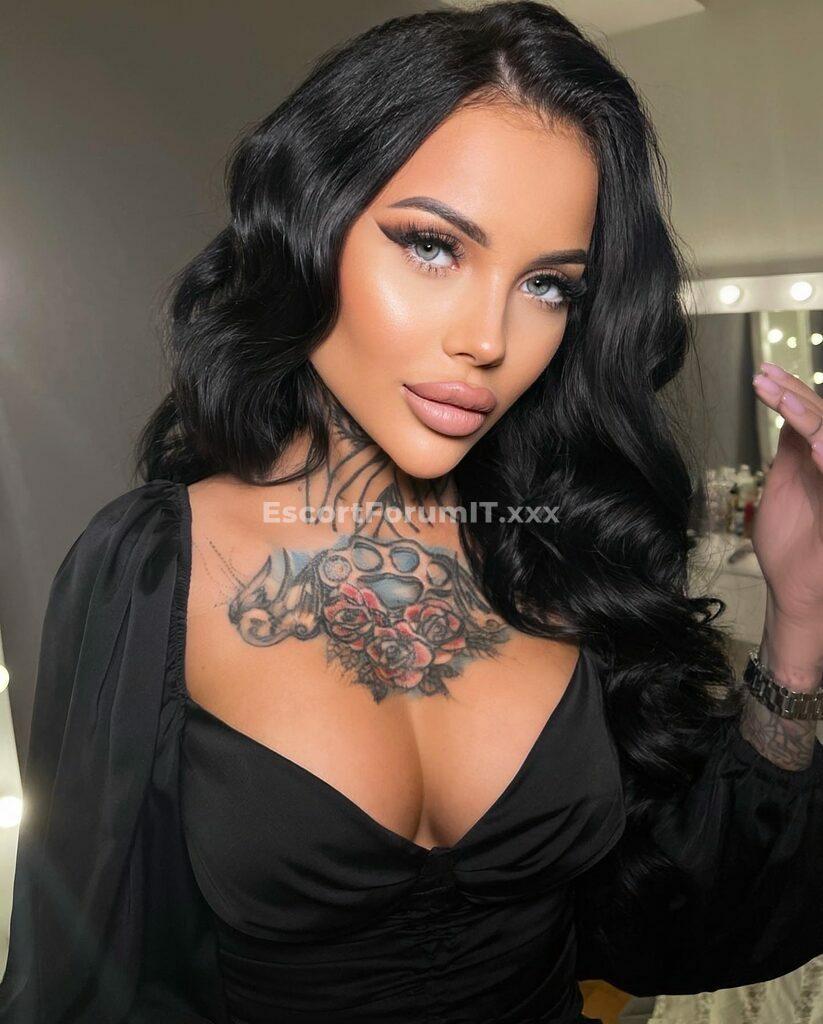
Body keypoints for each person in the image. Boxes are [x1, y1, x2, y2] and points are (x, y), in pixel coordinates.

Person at [2, 3, 822, 1023]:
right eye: (434, 246)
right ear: (313, 224)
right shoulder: (150, 568)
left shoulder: (561, 548)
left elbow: (688, 921)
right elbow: (86, 974)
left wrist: (798, 621)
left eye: (547, 286)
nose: (488, 338)